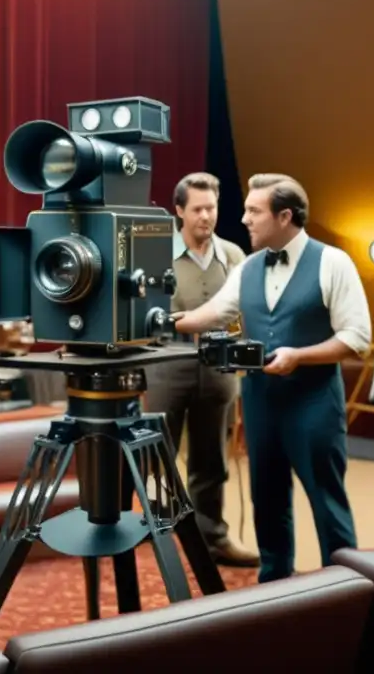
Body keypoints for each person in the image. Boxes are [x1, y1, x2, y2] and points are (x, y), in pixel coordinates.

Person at [172, 174, 372, 582]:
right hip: (261, 403)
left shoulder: (333, 262)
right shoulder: (247, 267)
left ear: (285, 216)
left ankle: (345, 587)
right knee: (267, 500)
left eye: (254, 211)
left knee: (326, 500)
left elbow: (357, 339)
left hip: (314, 404)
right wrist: (156, 322)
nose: (243, 219)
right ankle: (275, 584)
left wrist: (300, 356)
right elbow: (212, 314)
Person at [146, 173, 259, 567]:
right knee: (157, 456)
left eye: (211, 208)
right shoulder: (157, 254)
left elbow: (246, 309)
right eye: (197, 209)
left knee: (211, 460)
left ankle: (213, 538)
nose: (206, 217)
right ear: (179, 211)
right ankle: (156, 540)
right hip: (166, 365)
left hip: (219, 369)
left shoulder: (233, 255)